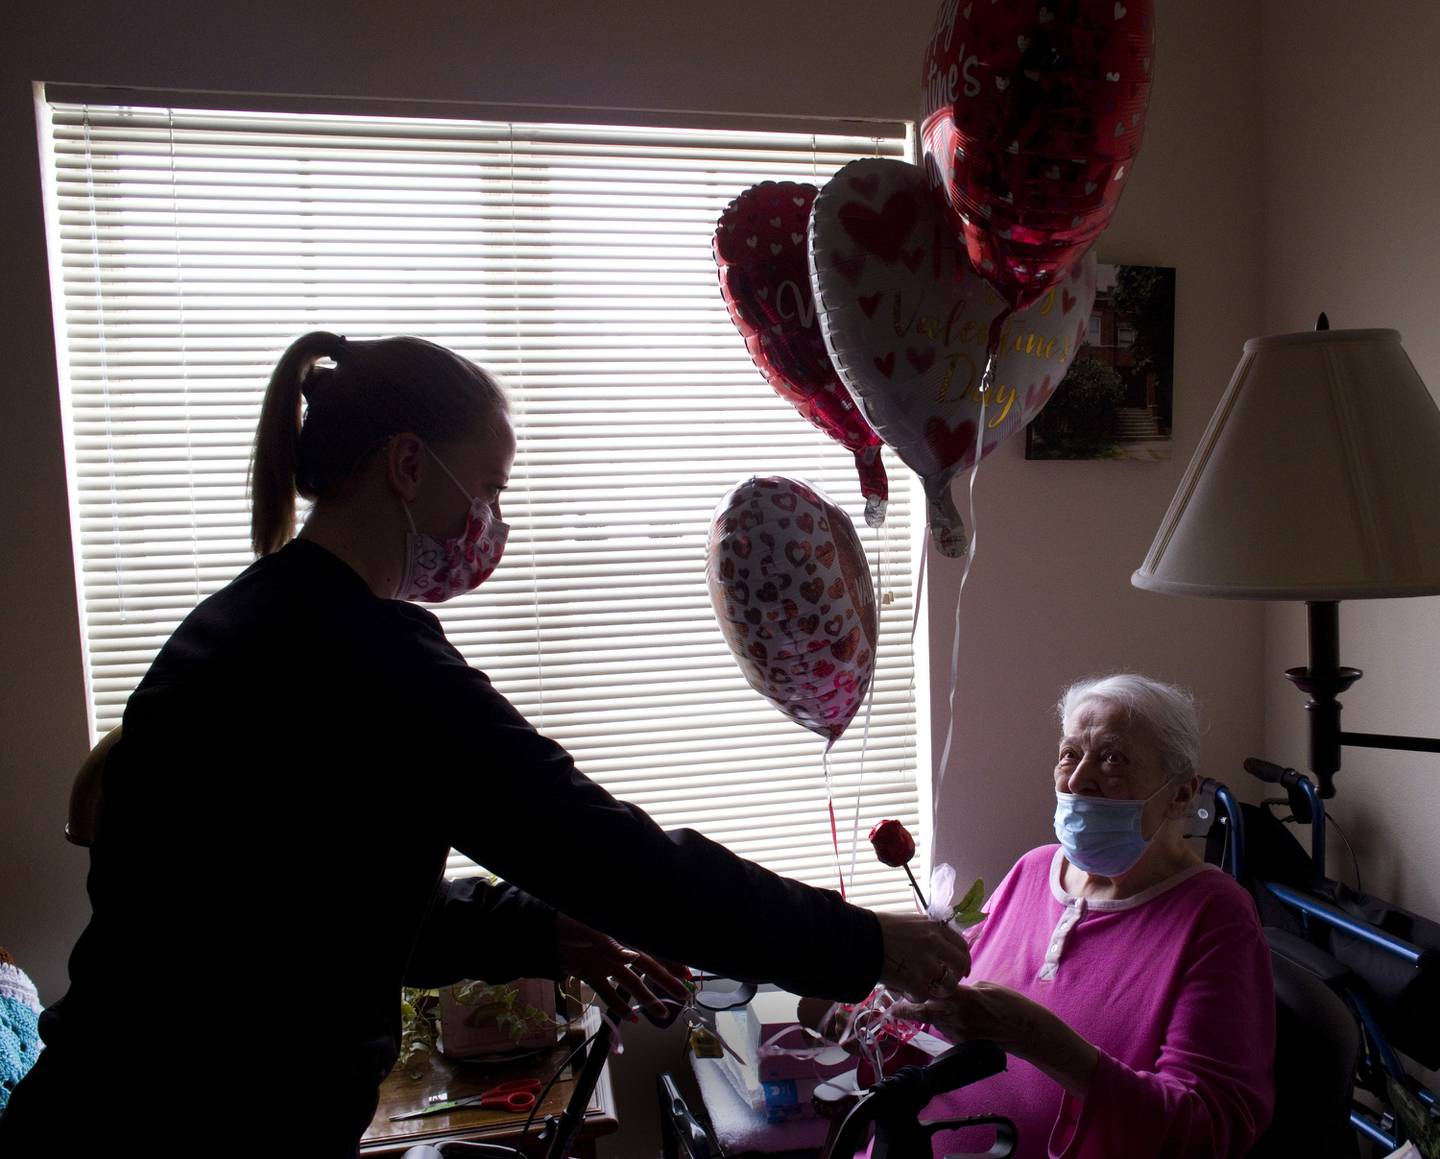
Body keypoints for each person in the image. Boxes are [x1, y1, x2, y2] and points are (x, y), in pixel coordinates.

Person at [0, 333, 971, 1157]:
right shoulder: (370, 657)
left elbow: (319, 904)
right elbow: (614, 857)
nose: (489, 524)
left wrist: (543, 928)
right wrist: (865, 941)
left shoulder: (241, 623)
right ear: (409, 466)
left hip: (102, 1105)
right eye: (490, 486)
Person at [896, 674, 1276, 1158]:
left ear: (1181, 794)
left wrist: (1034, 1037)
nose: (1077, 780)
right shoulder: (1033, 869)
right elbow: (947, 1014)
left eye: (1112, 759)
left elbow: (1205, 1131)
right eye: (1070, 754)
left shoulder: (1215, 918)